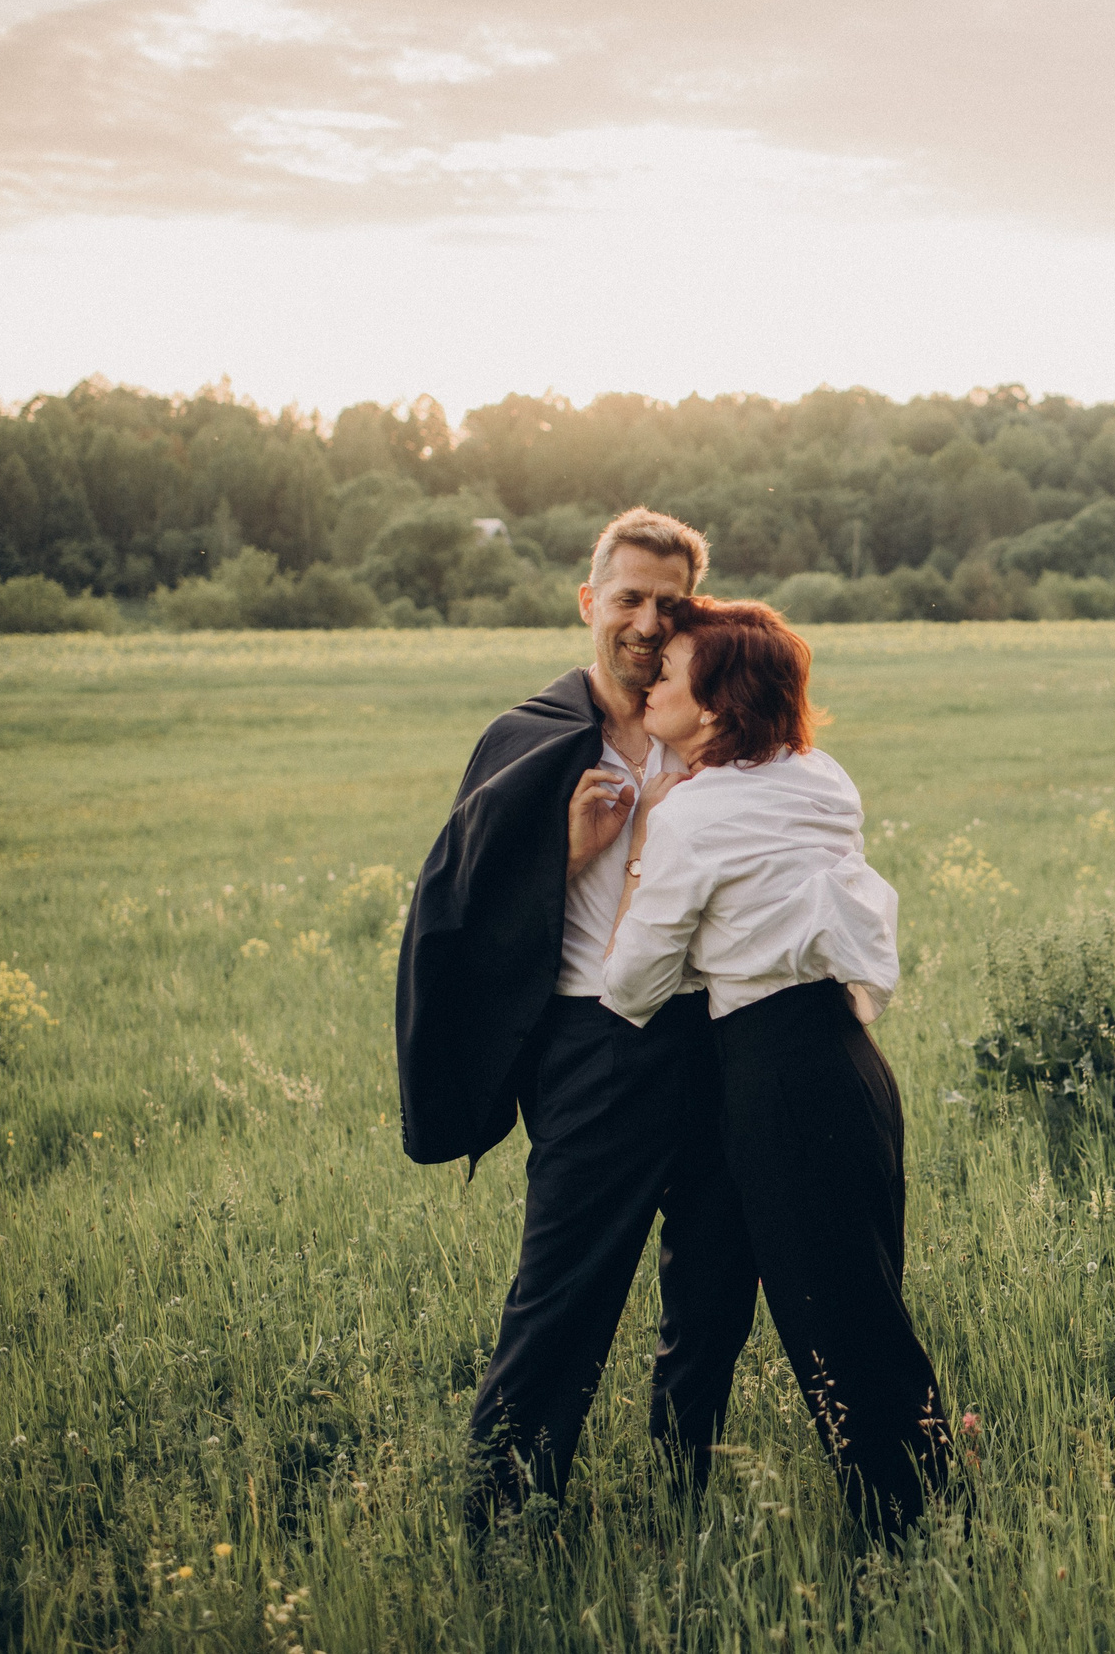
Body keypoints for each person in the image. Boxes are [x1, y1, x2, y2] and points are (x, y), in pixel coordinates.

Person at [393, 510, 758, 1528]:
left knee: (716, 1287)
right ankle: (504, 1515)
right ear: (588, 601)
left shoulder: (719, 731)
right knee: (564, 1295)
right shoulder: (528, 740)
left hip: (723, 1038)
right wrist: (562, 856)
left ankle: (680, 1492)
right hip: (594, 1050)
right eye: (629, 597)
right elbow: (457, 916)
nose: (647, 621)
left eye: (669, 602)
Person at [600, 598, 953, 1536]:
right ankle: (916, 1507)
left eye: (671, 672)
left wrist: (641, 848)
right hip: (845, 1058)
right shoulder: (822, 776)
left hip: (771, 1070)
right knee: (858, 1300)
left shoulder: (695, 814)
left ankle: (909, 1530)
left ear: (714, 709)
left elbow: (634, 983)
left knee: (815, 1314)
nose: (653, 682)